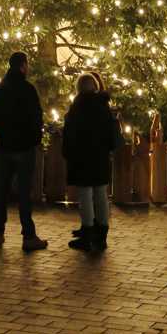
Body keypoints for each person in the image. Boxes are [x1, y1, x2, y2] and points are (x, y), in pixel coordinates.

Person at [0, 51, 47, 251]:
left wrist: (1, 134)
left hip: (4, 146)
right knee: (23, 192)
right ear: (23, 66)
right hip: (24, 147)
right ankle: (28, 236)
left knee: (1, 190)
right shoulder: (28, 89)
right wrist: (34, 139)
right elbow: (36, 117)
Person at [62, 73, 119, 251]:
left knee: (85, 195)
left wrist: (68, 153)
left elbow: (70, 134)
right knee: (101, 193)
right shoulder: (103, 106)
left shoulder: (77, 108)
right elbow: (111, 133)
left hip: (82, 157)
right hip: (100, 156)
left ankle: (87, 231)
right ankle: (102, 232)